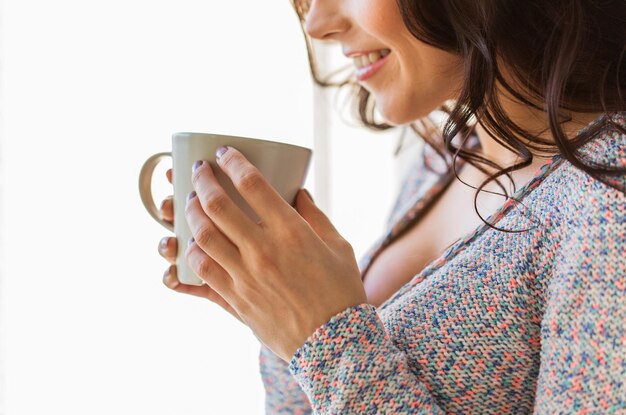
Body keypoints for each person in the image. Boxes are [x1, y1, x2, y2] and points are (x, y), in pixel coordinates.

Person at [156, 0, 625, 413]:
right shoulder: (445, 159)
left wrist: (323, 339)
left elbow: (336, 359)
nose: (317, 24)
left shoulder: (609, 200)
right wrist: (277, 303)